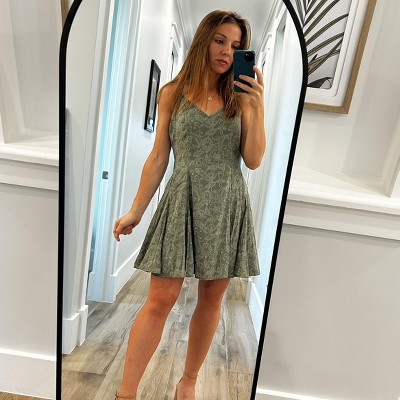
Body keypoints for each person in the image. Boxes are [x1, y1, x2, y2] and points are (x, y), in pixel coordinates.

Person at [113, 9, 265, 400]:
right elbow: (158, 158)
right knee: (159, 299)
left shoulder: (242, 97)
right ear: (203, 41)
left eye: (236, 46)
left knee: (211, 299)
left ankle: (189, 381)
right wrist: (135, 211)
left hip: (226, 202)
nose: (227, 51)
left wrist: (255, 108)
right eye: (220, 40)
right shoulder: (172, 93)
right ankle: (126, 393)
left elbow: (253, 159)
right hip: (182, 198)